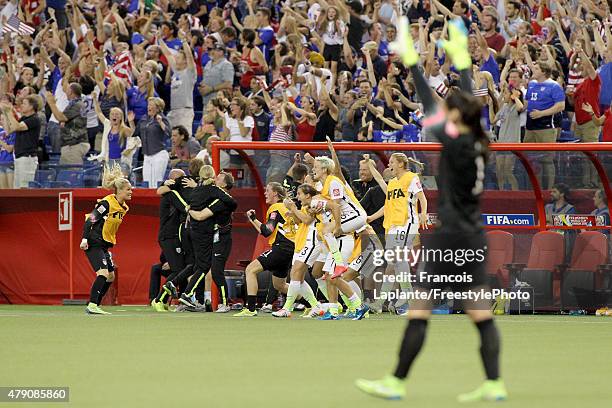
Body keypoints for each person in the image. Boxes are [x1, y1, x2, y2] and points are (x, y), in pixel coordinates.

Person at [356, 18, 507, 402]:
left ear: (455, 116)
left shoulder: (455, 143)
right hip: (473, 236)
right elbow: (470, 101)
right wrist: (463, 65)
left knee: (419, 308)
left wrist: (411, 63)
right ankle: (494, 382)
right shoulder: (479, 141)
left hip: (449, 235)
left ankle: (397, 381)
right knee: (480, 313)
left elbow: (426, 102)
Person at [176, 165, 237, 309]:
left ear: (224, 184)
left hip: (222, 238)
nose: (215, 178)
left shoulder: (219, 200)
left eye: (219, 177)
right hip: (215, 237)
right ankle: (196, 297)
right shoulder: (214, 195)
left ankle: (222, 303)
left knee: (214, 271)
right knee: (206, 267)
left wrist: (189, 210)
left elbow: (202, 215)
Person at [234, 182, 296, 317]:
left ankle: (250, 309)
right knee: (280, 285)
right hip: (290, 249)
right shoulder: (285, 207)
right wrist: (253, 220)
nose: (265, 193)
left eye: (268, 191)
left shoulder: (275, 208)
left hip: (281, 247)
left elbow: (267, 230)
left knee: (250, 270)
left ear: (275, 193)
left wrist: (254, 219)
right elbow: (264, 231)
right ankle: (312, 303)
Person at [81, 164, 133, 315]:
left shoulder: (124, 207)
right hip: (93, 242)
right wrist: (84, 239)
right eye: (128, 189)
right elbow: (90, 220)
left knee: (110, 277)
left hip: (104, 244)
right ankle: (92, 305)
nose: (131, 191)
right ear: (119, 190)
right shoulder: (106, 203)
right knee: (103, 273)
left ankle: (95, 304)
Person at [272, 184, 325, 317]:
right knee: (299, 278)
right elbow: (300, 221)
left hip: (312, 241)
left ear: (308, 195)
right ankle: (315, 305)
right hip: (301, 241)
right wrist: (292, 212)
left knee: (296, 272)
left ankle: (287, 308)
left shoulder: (315, 204)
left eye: (300, 194)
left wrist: (294, 208)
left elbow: (307, 220)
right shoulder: (304, 206)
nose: (297, 197)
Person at [150, 168, 190, 312]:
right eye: (182, 179)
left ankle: (164, 300)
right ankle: (158, 299)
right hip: (169, 236)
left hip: (173, 236)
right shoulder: (172, 194)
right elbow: (187, 207)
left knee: (180, 269)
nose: (184, 181)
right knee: (178, 269)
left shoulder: (171, 192)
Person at [525, 62, 565, 189]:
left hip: (546, 126)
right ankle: (535, 187)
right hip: (530, 127)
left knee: (547, 160)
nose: (533, 70)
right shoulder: (531, 84)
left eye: (536, 68)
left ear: (543, 71)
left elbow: (560, 106)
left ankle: (549, 188)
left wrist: (541, 113)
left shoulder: (554, 86)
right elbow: (526, 103)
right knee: (530, 159)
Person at [159, 32, 197, 136]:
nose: (175, 58)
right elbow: (168, 54)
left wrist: (184, 41)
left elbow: (189, 56)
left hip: (185, 111)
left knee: (185, 138)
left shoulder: (190, 72)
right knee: (172, 139)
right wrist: (159, 40)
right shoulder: (176, 71)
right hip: (173, 111)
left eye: (179, 57)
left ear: (185, 61)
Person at [0, 95, 41, 188]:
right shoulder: (23, 119)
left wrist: (9, 111)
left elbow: (16, 127)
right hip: (19, 158)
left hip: (27, 158)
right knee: (17, 188)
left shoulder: (34, 119)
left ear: (31, 106)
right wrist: (5, 113)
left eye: (24, 103)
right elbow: (8, 131)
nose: (21, 105)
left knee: (24, 187)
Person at [131, 97, 171, 188]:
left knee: (156, 180)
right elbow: (135, 134)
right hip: (147, 155)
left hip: (159, 153)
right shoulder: (144, 119)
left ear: (158, 108)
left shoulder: (162, 119)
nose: (149, 107)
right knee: (147, 180)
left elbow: (168, 133)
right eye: (148, 105)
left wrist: (160, 122)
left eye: (152, 105)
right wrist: (131, 122)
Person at [46, 83, 89, 165]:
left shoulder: (77, 105)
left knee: (73, 173)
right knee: (65, 173)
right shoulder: (73, 104)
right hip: (70, 145)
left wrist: (52, 103)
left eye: (67, 89)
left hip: (74, 145)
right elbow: (62, 120)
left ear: (71, 92)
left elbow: (61, 118)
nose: (65, 92)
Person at [199, 43, 234, 108]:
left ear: (221, 52)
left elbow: (228, 83)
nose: (211, 52)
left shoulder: (226, 65)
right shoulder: (208, 63)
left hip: (219, 103)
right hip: (206, 101)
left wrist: (211, 89)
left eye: (214, 50)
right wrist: (202, 86)